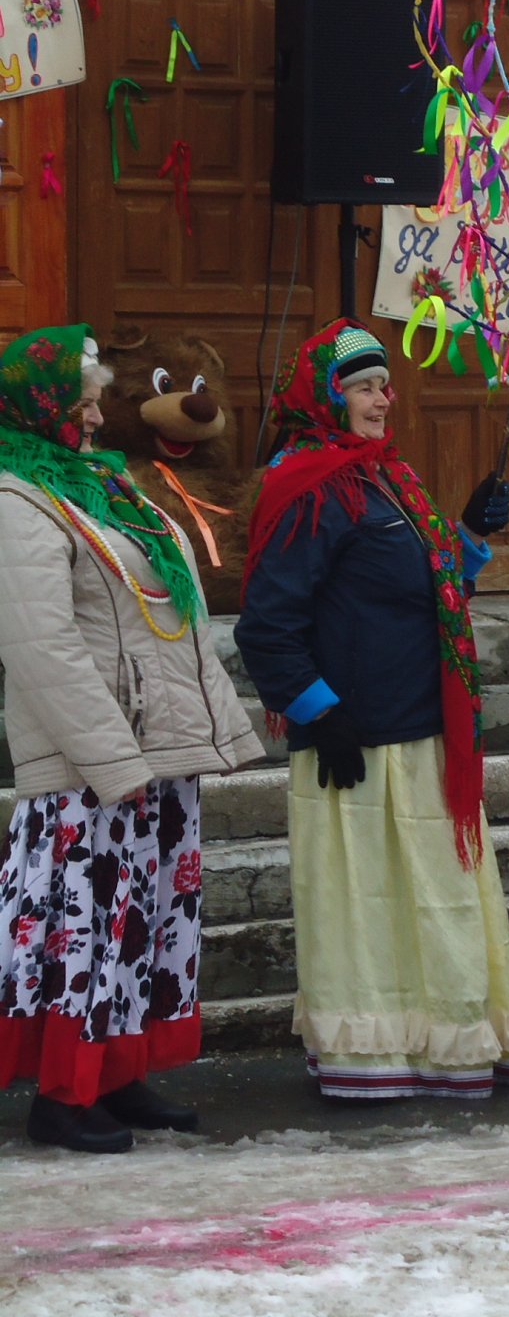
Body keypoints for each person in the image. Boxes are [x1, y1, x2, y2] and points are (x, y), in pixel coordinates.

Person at [235, 319, 509, 1100]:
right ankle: (374, 1057)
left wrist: (469, 532)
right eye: (364, 385)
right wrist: (317, 710)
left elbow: (429, 596)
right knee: (374, 909)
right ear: (327, 397)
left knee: (432, 904)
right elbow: (267, 622)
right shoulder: (306, 485)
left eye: (384, 383)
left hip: (423, 734)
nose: (382, 397)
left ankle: (448, 1046)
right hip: (359, 744)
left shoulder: (383, 476)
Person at [0, 326, 263, 1152]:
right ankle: (63, 1096)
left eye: (90, 400)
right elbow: (43, 648)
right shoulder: (18, 503)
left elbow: (175, 618)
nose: (90, 415)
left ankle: (118, 1077)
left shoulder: (109, 490)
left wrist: (208, 731)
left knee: (145, 924)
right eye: (77, 401)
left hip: (158, 753)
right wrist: (114, 760)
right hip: (91, 767)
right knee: (85, 927)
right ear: (37, 408)